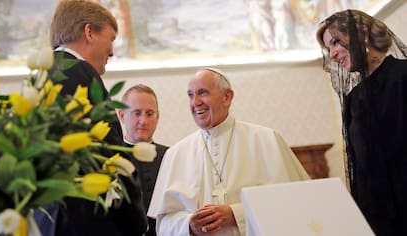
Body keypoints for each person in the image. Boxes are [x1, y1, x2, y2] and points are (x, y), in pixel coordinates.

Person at [148, 68, 310, 235]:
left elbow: (293, 203)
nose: (195, 102)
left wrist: (237, 214)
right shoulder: (176, 154)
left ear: (227, 97)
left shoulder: (266, 139)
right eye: (190, 95)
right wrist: (189, 224)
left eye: (202, 93)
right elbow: (163, 225)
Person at [34, 1, 148, 235]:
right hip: (86, 222)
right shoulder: (81, 72)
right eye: (111, 39)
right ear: (89, 32)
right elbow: (112, 157)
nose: (112, 51)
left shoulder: (39, 77)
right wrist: (137, 221)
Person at [316, 9, 407, 235]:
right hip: (381, 219)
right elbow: (361, 168)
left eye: (336, 42)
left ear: (362, 33)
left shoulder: (404, 76)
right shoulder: (354, 99)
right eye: (329, 48)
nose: (333, 54)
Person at [118, 84, 169, 236]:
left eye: (149, 113)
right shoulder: (108, 157)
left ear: (158, 117)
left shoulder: (171, 156)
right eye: (136, 113)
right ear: (121, 115)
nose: (143, 121)